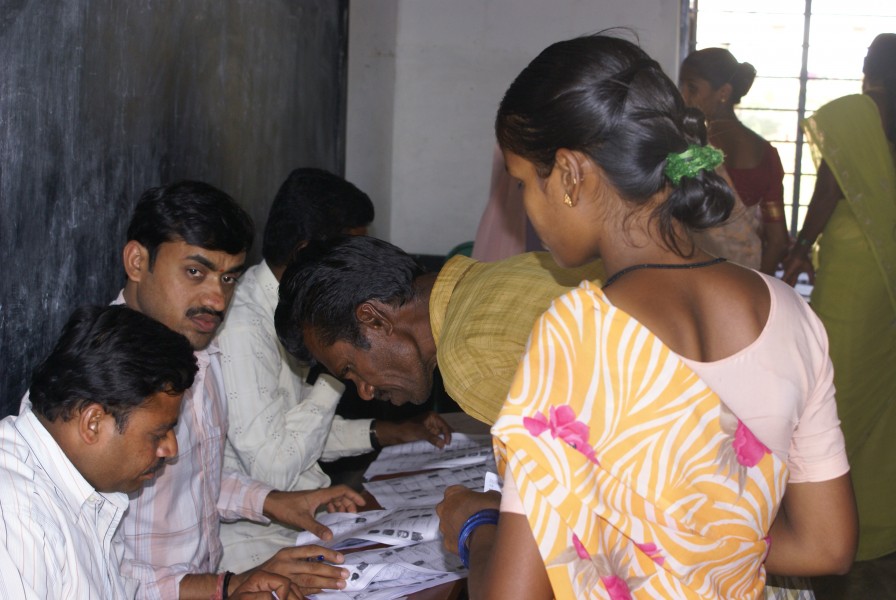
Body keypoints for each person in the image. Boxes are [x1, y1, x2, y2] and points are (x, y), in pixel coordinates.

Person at [434, 33, 857, 599]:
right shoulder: (792, 315)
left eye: (520, 184)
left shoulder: (577, 333)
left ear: (569, 174)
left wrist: (475, 529)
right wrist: (688, 542)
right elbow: (827, 545)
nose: (525, 209)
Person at [15, 181, 365, 599]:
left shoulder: (202, 351)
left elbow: (201, 479)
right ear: (137, 261)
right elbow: (104, 575)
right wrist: (225, 586)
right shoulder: (93, 383)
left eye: (230, 277)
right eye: (195, 272)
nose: (216, 299)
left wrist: (273, 502)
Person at [216, 167, 452, 573]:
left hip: (311, 518)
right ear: (306, 250)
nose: (357, 267)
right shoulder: (242, 324)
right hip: (256, 547)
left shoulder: (289, 310)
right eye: (349, 251)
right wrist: (334, 369)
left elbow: (297, 433)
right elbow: (275, 467)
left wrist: (385, 431)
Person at [275, 236, 604, 425]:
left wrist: (475, 521)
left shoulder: (469, 361)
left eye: (350, 369)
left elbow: (573, 499)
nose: (364, 391)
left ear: (373, 318)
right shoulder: (508, 270)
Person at [782, 33, 896, 563]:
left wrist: (801, 246)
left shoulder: (855, 112)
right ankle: (877, 519)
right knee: (884, 384)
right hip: (890, 259)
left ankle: (823, 515)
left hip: (853, 259)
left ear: (869, 66)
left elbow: (829, 188)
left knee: (835, 386)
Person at [0, 305, 195, 599]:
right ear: (93, 423)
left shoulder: (84, 484)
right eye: (158, 434)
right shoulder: (16, 520)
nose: (170, 448)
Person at [680, 47, 790, 275]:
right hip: (747, 275)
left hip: (696, 276)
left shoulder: (690, 150)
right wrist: (761, 285)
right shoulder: (766, 152)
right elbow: (778, 240)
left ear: (723, 92)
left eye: (692, 87)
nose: (683, 96)